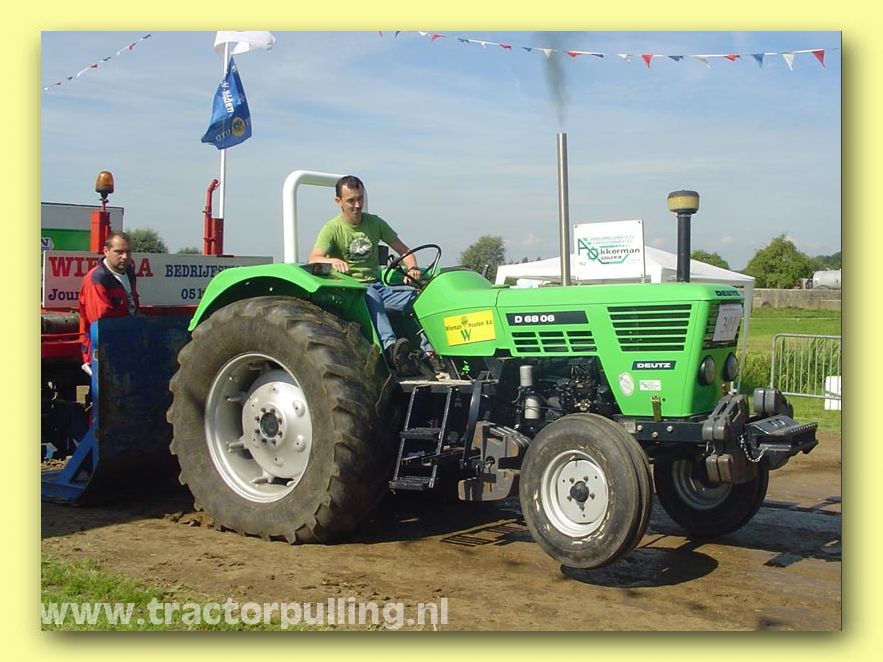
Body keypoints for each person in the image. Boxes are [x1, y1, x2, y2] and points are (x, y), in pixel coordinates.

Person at [308, 175, 443, 375]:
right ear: (338, 202)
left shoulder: (375, 223)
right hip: (353, 290)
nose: (357, 205)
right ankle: (392, 351)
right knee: (371, 296)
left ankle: (431, 353)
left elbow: (405, 251)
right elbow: (314, 258)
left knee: (418, 298)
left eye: (360, 198)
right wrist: (332, 261)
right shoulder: (332, 229)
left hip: (378, 285)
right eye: (351, 200)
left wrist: (412, 268)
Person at [78, 231, 140, 376]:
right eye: (119, 252)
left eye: (128, 252)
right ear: (106, 251)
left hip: (125, 345)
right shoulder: (97, 280)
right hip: (102, 350)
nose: (125, 257)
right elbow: (101, 323)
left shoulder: (128, 272)